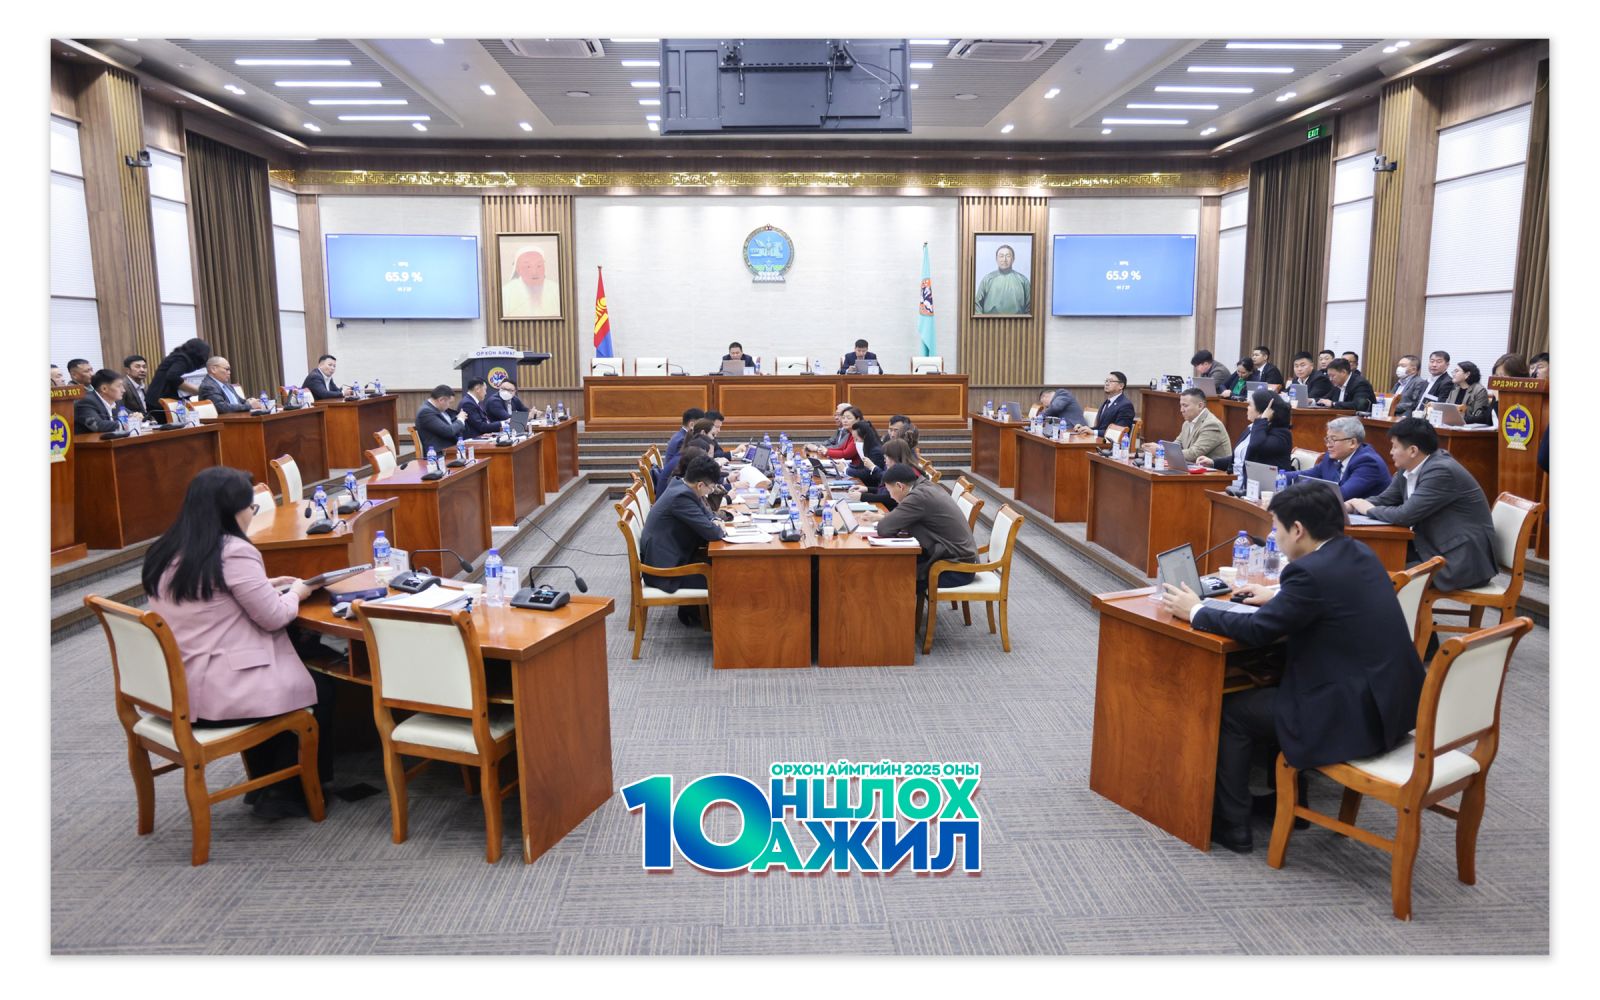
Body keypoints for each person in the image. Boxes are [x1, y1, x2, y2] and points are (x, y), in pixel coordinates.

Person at [1159, 483, 1424, 853]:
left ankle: (1232, 824)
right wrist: (1279, 597)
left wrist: (1196, 611)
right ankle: (1289, 804)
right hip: (1387, 706)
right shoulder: (1358, 552)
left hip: (1347, 716)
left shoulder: (1308, 573)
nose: (1275, 537)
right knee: (1276, 682)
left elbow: (1258, 631)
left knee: (1232, 712)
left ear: (1297, 529)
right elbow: (1328, 600)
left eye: (1276, 528)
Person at [142, 466, 333, 820]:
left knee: (294, 673)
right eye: (251, 507)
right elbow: (275, 616)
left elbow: (206, 594)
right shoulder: (233, 550)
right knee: (320, 688)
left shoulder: (167, 549)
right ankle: (285, 792)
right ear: (231, 510)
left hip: (175, 688)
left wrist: (263, 585)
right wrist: (298, 592)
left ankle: (262, 783)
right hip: (219, 693)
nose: (252, 514)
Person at [1346, 417, 1498, 591]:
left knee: (1377, 573)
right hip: (1431, 548)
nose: (1391, 452)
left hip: (1460, 561)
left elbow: (1404, 516)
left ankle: (1393, 609)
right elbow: (1385, 499)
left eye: (1395, 447)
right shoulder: (1408, 468)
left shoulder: (1441, 470)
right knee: (1367, 560)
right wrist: (1352, 506)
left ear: (1413, 450)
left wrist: (1368, 509)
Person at [640, 454, 726, 625]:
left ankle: (696, 614)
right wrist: (717, 526)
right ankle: (723, 630)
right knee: (726, 578)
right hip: (665, 572)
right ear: (700, 485)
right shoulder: (681, 497)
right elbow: (713, 533)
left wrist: (715, 519)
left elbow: (706, 511)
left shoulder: (681, 485)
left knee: (723, 569)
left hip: (672, 556)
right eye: (711, 488)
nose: (711, 491)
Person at [874, 464, 979, 597]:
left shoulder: (918, 497)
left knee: (894, 578)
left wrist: (887, 519)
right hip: (953, 557)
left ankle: (894, 610)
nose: (890, 496)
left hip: (954, 569)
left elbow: (884, 528)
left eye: (890, 491)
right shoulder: (925, 486)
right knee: (892, 567)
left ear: (900, 486)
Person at [1286, 415, 1392, 500]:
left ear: (1352, 443)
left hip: (1365, 518)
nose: (1328, 445)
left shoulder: (1368, 463)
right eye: (1327, 439)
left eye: (1333, 440)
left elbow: (1342, 494)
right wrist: (1278, 476)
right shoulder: (1331, 457)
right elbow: (1305, 476)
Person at [1197, 389, 1293, 473]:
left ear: (1263, 410)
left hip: (1262, 485)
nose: (1247, 408)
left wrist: (1262, 420)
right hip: (1238, 481)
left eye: (1250, 405)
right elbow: (1239, 458)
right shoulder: (1252, 428)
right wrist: (1213, 462)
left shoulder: (1281, 434)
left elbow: (1255, 447)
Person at [1143, 387, 1231, 466]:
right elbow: (1176, 446)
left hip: (1216, 474)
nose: (1181, 410)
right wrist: (1158, 447)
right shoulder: (1187, 423)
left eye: (1185, 406)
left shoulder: (1212, 424)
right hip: (1195, 470)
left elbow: (1194, 454)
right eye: (1181, 405)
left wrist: (1160, 451)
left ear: (1200, 406)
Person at [145, 338, 212, 421]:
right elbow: (172, 376)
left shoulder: (178, 356)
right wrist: (195, 390)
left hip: (161, 399)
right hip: (161, 401)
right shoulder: (182, 359)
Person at [851, 438, 925, 510]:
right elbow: (887, 491)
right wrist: (867, 489)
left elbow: (891, 498)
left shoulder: (907, 473)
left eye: (886, 457)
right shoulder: (903, 468)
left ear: (894, 457)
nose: (884, 460)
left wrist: (863, 497)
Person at [501, 245, 558, 318]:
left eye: (539, 266)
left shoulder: (556, 289)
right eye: (528, 266)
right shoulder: (506, 292)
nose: (534, 272)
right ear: (518, 269)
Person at [975, 243, 1031, 315]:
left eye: (1008, 256)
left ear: (1013, 259)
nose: (1004, 260)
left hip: (1017, 321)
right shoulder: (987, 279)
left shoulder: (1023, 280)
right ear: (996, 259)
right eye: (1001, 256)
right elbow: (977, 305)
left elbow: (1030, 306)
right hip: (990, 320)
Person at [1078, 372, 1136, 440]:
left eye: (1110, 381)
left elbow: (1119, 432)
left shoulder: (1125, 405)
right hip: (1100, 441)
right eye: (1106, 381)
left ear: (1121, 386)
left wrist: (1093, 432)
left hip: (1112, 444)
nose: (1107, 384)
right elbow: (1099, 428)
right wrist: (1084, 429)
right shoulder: (1106, 402)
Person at [198, 357, 266, 413]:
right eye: (227, 369)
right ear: (213, 369)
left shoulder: (226, 385)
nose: (229, 372)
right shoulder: (208, 386)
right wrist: (250, 406)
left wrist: (250, 401)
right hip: (225, 422)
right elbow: (221, 407)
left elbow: (240, 401)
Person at [414, 384, 465, 454]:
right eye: (450, 403)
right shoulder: (425, 412)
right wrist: (460, 419)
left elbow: (449, 426)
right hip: (438, 454)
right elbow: (448, 431)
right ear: (441, 400)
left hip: (451, 449)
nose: (449, 406)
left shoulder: (438, 409)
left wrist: (458, 419)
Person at [1399, 350, 1453, 415]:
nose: (1434, 365)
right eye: (1432, 361)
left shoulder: (1447, 382)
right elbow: (1416, 403)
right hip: (1415, 415)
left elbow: (1440, 406)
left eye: (1439, 362)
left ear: (1447, 365)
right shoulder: (1426, 381)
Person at [74, 368, 128, 433]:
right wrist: (128, 424)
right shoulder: (85, 402)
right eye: (119, 386)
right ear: (104, 389)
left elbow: (130, 414)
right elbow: (98, 425)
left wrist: (136, 416)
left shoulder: (116, 401)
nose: (123, 390)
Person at [1440, 360, 1492, 425]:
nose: (1453, 373)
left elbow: (1478, 416)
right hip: (1451, 424)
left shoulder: (1479, 390)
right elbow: (1446, 409)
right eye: (1454, 371)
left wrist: (1459, 420)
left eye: (1456, 371)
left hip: (1469, 427)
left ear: (1467, 374)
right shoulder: (1454, 389)